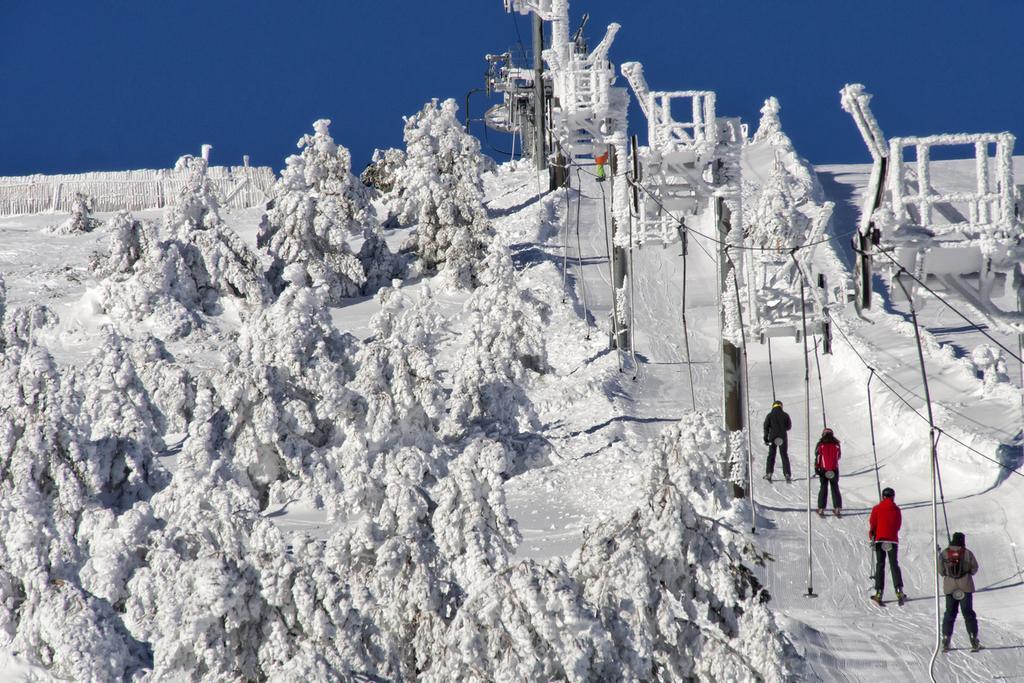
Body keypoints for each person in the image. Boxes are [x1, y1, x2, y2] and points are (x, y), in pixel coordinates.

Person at [939, 532, 981, 652]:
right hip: (965, 586)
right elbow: (974, 568)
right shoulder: (967, 553)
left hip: (950, 588)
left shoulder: (945, 553)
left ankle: (946, 639)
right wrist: (967, 574)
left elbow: (941, 571)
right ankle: (973, 639)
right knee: (968, 613)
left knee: (950, 613)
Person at [868, 487, 905, 605]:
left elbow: (873, 524)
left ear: (883, 496)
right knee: (894, 564)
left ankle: (879, 593)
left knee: (880, 565)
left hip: (880, 540)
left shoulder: (877, 508)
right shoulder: (896, 509)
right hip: (892, 541)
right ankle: (899, 591)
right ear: (893, 496)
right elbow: (898, 525)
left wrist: (872, 535)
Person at [814, 427, 842, 517]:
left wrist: (816, 467)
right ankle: (837, 508)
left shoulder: (821, 444)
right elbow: (838, 456)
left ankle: (821, 508)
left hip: (823, 469)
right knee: (835, 488)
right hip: (834, 469)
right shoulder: (836, 444)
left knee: (823, 487)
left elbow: (817, 455)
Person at [762, 400, 792, 482]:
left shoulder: (770, 415)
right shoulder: (785, 415)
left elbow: (766, 427)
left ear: (773, 406)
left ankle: (769, 473)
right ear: (781, 406)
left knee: (771, 454)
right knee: (784, 455)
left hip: (772, 437)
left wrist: (766, 437)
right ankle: (787, 474)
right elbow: (789, 427)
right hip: (783, 437)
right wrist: (782, 428)